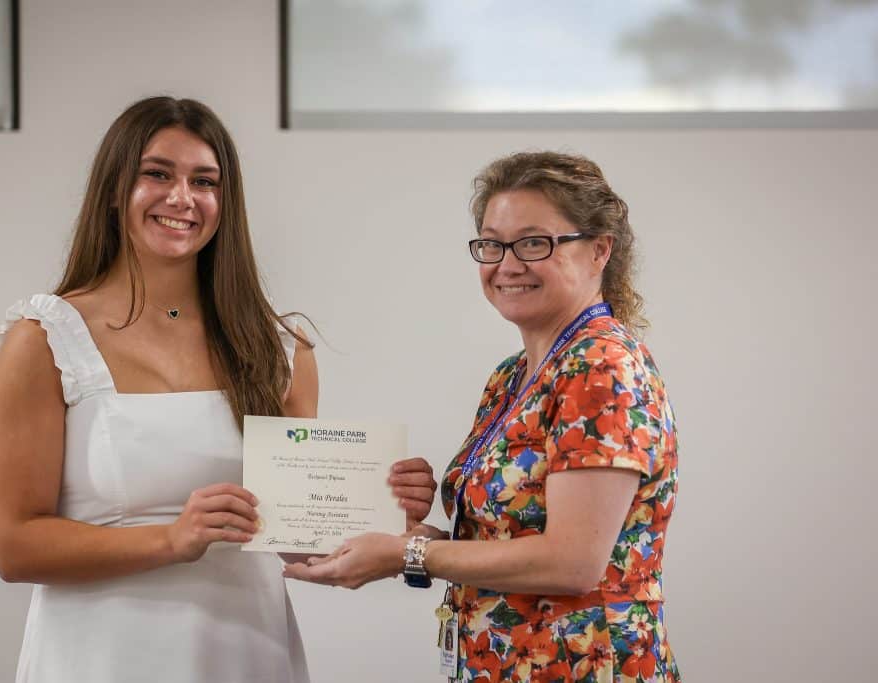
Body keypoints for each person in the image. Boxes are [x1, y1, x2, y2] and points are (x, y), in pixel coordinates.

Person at [0, 96, 435, 683]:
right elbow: (15, 548)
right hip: (101, 656)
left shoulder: (278, 346)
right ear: (115, 189)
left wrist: (385, 508)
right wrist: (172, 539)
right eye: (157, 174)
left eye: (204, 181)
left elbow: (300, 539)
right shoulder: (44, 337)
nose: (182, 198)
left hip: (247, 649)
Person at [285, 151, 681, 682]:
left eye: (535, 242)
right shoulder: (513, 376)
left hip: (583, 668)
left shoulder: (600, 367)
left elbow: (571, 561)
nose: (507, 263)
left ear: (599, 250)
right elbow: (507, 540)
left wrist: (410, 555)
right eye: (492, 244)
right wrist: (399, 527)